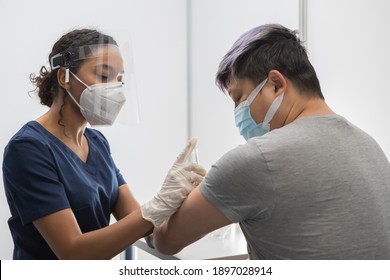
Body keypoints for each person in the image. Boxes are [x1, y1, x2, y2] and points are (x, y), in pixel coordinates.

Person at [153, 24, 390, 259]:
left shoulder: (256, 159)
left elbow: (165, 240)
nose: (237, 112)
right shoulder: (370, 146)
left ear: (275, 84)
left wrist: (165, 203)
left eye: (239, 98)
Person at [2, 28, 205, 259]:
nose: (115, 89)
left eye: (119, 80)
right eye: (103, 75)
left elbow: (143, 225)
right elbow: (73, 253)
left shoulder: (97, 143)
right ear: (64, 78)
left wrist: (183, 198)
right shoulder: (28, 148)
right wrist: (156, 207)